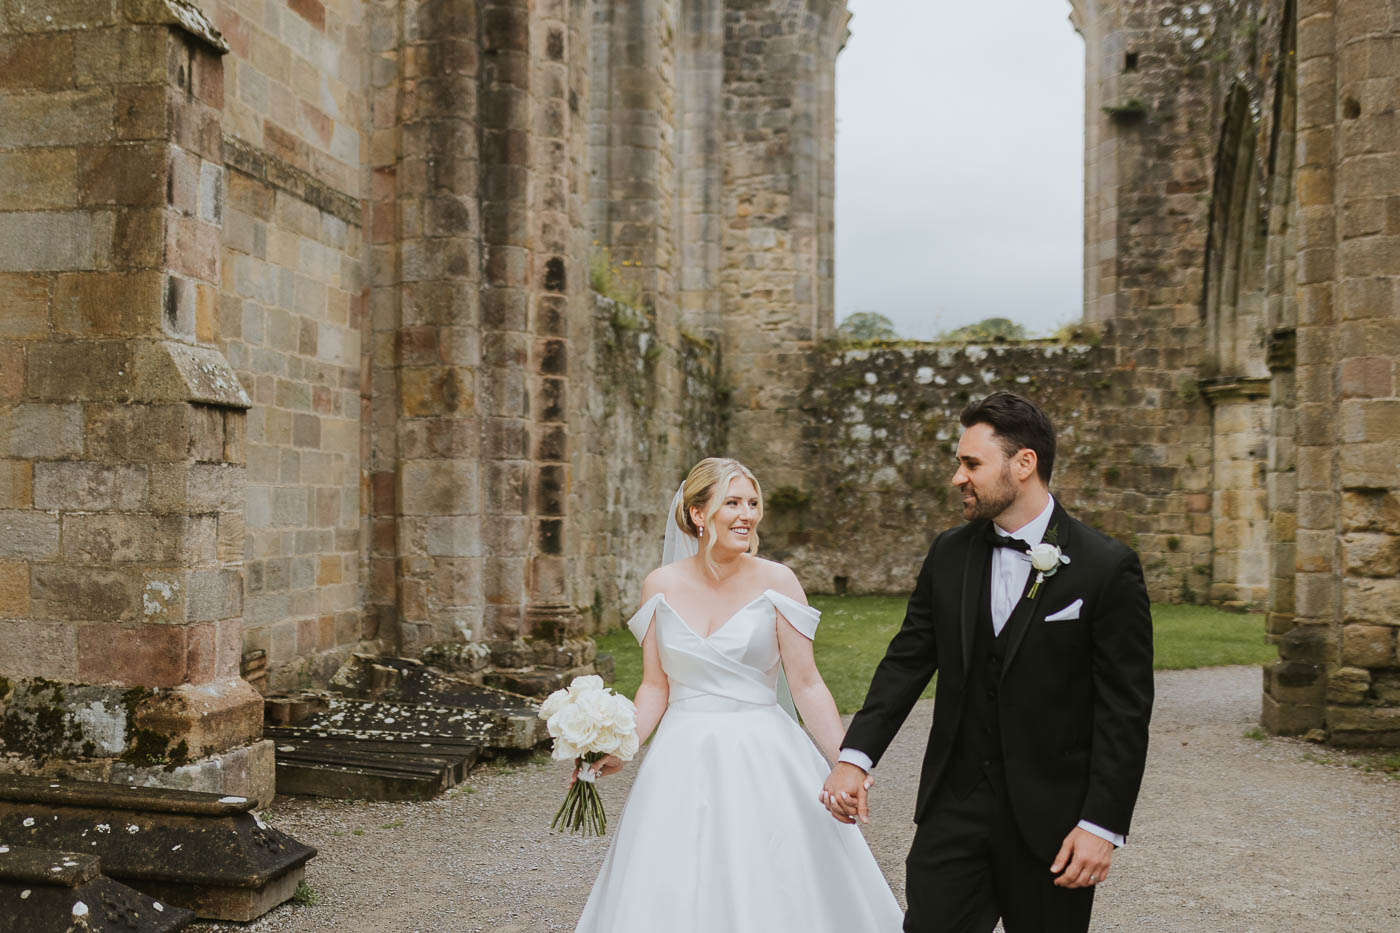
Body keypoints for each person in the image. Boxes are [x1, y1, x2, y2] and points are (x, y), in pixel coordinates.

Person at [821, 391, 1154, 933]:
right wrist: (855, 758)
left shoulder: (1106, 567)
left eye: (971, 463)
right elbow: (906, 662)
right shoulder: (948, 554)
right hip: (954, 810)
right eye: (960, 463)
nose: (958, 477)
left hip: (1055, 825)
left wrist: (1102, 824)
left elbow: (1125, 709)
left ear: (1024, 464)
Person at [573, 457, 903, 932]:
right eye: (732, 503)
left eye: (752, 503)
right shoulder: (659, 586)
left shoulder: (778, 581)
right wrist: (619, 747)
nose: (747, 514)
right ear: (698, 514)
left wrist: (847, 763)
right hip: (681, 760)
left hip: (764, 753)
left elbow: (806, 682)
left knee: (776, 877)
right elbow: (654, 686)